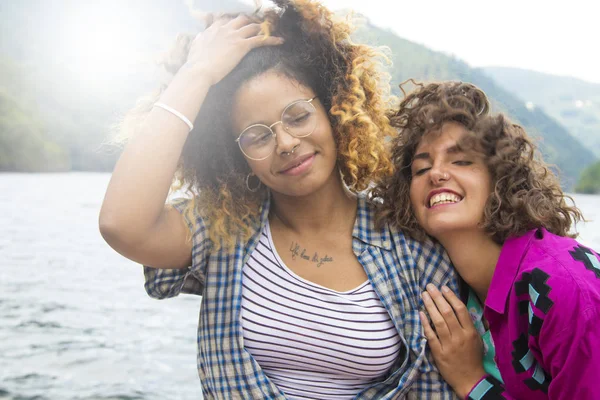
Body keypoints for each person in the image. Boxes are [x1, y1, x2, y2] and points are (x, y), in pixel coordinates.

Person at [99, 1, 460, 398]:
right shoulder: (223, 234)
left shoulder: (412, 248)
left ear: (334, 111)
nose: (286, 143)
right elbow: (122, 224)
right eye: (257, 136)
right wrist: (197, 72)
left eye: (298, 116)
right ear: (236, 157)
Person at [375, 80, 600, 399]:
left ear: (501, 179)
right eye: (421, 167)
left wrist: (472, 381)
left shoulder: (565, 289)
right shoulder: (449, 287)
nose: (436, 173)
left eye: (461, 161)